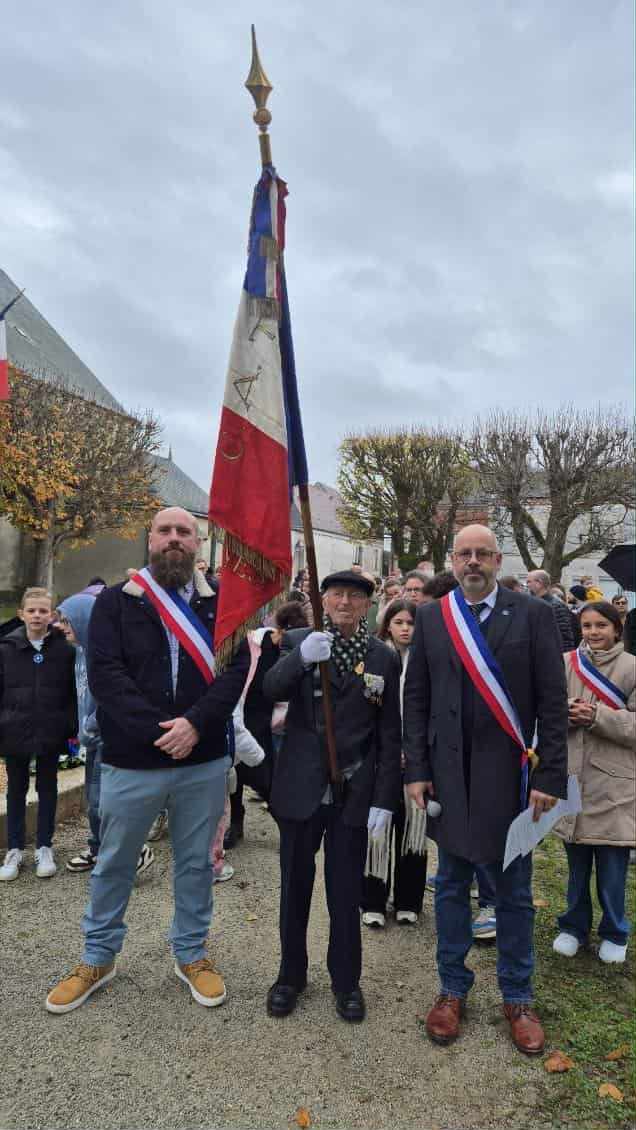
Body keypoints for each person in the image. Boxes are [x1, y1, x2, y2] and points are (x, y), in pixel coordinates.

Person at [45, 507, 249, 1014]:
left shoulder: (222, 603)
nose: (174, 538)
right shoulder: (115, 602)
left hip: (201, 759)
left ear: (198, 542)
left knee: (196, 864)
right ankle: (98, 958)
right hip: (132, 760)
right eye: (165, 531)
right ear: (150, 539)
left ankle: (191, 953)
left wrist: (194, 725)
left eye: (185, 532)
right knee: (114, 861)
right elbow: (106, 675)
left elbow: (235, 671)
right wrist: (161, 732)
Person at [404, 524, 568, 1055]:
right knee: (452, 884)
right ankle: (452, 989)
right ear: (452, 560)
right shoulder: (434, 616)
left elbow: (552, 702)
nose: (472, 562)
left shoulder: (534, 614)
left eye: (482, 554)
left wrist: (549, 775)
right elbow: (417, 698)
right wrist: (416, 769)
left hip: (511, 778)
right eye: (464, 554)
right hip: (449, 776)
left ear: (498, 560)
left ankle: (517, 996)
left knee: (513, 891)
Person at [263, 570, 401, 1023]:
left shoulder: (382, 657)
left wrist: (384, 797)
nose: (345, 602)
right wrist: (301, 659)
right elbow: (270, 689)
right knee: (294, 887)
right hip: (301, 785)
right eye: (337, 594)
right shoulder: (298, 641)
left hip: (353, 790)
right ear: (323, 600)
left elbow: (389, 732)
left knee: (344, 892)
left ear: (367, 605)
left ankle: (346, 981)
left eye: (355, 596)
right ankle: (290, 975)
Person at [553, 601, 635, 964]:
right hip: (572, 776)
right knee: (576, 866)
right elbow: (544, 709)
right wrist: (567, 713)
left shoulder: (632, 667)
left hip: (614, 781)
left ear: (617, 628)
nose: (593, 632)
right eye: (586, 626)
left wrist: (597, 716)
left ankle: (615, 930)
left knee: (612, 868)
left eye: (601, 625)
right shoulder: (566, 663)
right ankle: (573, 926)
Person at [57, 593, 154, 877]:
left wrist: (91, 726)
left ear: (86, 621)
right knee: (93, 800)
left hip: (108, 740)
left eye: (68, 620)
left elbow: (112, 698)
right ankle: (98, 848)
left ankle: (135, 851)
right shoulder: (79, 652)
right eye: (61, 620)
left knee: (105, 802)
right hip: (91, 741)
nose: (62, 626)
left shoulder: (105, 657)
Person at [0, 588, 77, 882]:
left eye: (43, 611)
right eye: (31, 611)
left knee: (47, 786)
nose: (37, 616)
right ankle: (15, 849)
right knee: (16, 788)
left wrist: (69, 726)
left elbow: (71, 692)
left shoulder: (65, 651)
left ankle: (45, 846)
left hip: (50, 728)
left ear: (52, 615)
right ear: (21, 614)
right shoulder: (6, 649)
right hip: (15, 728)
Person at [361, 598, 427, 927]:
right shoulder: (375, 659)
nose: (405, 629)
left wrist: (415, 751)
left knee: (413, 830)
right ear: (387, 625)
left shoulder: (426, 661)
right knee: (378, 830)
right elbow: (366, 712)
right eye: (399, 622)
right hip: (381, 757)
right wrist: (388, 749)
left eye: (411, 623)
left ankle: (408, 901)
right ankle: (373, 900)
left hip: (417, 759)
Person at [225, 599, 309, 849]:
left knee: (265, 777)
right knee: (235, 774)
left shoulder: (292, 653)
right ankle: (236, 823)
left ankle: (287, 827)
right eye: (289, 635)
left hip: (266, 721)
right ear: (280, 629)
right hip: (242, 715)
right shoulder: (254, 644)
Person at [526, 570, 575, 651]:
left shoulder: (556, 606)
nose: (527, 585)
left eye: (529, 582)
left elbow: (565, 636)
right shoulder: (533, 604)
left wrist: (564, 657)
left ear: (539, 583)